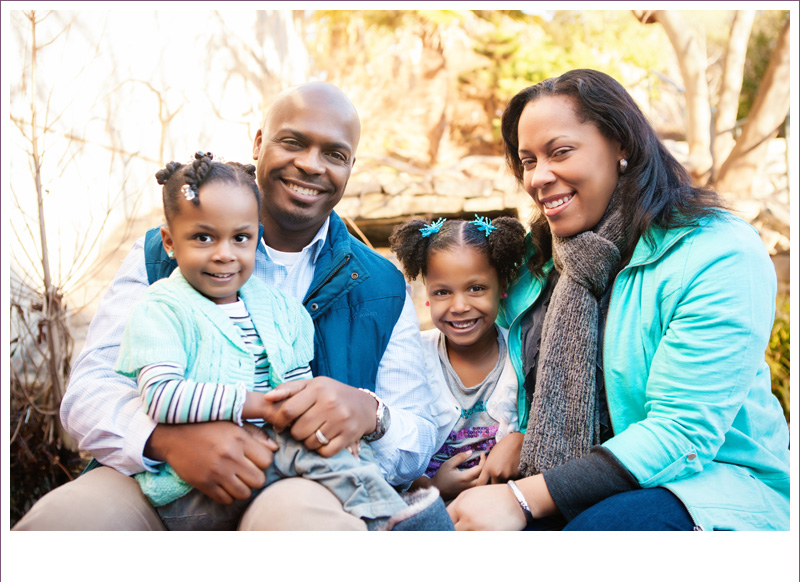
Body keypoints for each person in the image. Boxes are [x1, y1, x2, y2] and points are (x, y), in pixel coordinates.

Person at [15, 82, 443, 531]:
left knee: (304, 525)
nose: (310, 165)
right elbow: (89, 391)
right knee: (64, 522)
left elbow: (418, 435)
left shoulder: (381, 286)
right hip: (154, 478)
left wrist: (371, 415)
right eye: (293, 142)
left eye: (334, 154)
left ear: (350, 166)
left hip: (291, 479)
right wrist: (165, 441)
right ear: (259, 142)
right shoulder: (161, 256)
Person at [447, 69, 790, 531]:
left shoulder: (717, 252)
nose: (539, 177)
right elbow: (509, 376)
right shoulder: (538, 262)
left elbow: (682, 432)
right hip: (559, 475)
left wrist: (521, 498)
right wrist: (520, 434)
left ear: (622, 146)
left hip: (708, 485)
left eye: (560, 152)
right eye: (528, 161)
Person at [112, 152, 448, 530]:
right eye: (203, 237)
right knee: (310, 458)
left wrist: (319, 421)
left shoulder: (276, 309)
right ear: (170, 241)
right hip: (189, 486)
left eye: (240, 238)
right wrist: (261, 407)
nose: (224, 254)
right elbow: (162, 396)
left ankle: (387, 515)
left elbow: (294, 384)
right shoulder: (162, 308)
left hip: (265, 470)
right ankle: (389, 521)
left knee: (331, 450)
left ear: (255, 236)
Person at [389, 215, 526, 502]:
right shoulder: (411, 357)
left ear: (501, 286)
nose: (460, 306)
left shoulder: (524, 354)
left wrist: (520, 439)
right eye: (443, 292)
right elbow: (392, 448)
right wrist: (432, 487)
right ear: (427, 294)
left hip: (503, 508)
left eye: (476, 288)